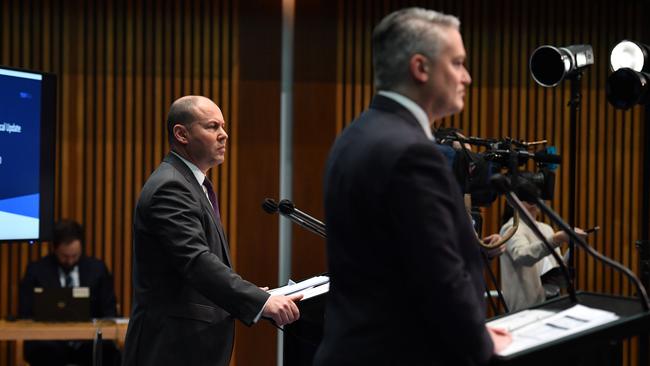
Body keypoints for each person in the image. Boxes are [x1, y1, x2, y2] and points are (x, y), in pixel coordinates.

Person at [313, 7, 511, 366]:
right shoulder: (411, 152)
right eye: (458, 63)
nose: (466, 77)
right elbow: (439, 277)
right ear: (421, 68)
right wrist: (479, 344)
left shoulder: (356, 134)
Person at [122, 95, 302, 366]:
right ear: (182, 134)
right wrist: (260, 301)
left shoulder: (192, 184)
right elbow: (196, 262)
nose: (224, 135)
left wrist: (253, 293)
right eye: (212, 127)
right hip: (171, 349)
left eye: (223, 126)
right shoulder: (170, 187)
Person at [18, 219, 120, 366]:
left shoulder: (97, 270)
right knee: (43, 352)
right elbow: (26, 314)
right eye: (65, 257)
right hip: (49, 343)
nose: (70, 261)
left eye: (75, 256)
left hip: (88, 342)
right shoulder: (36, 271)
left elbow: (109, 312)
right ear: (55, 248)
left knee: (109, 353)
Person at [499, 201, 586, 312]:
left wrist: (572, 246)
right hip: (526, 309)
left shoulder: (546, 228)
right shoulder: (512, 228)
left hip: (553, 301)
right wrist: (557, 239)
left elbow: (557, 265)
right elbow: (522, 256)